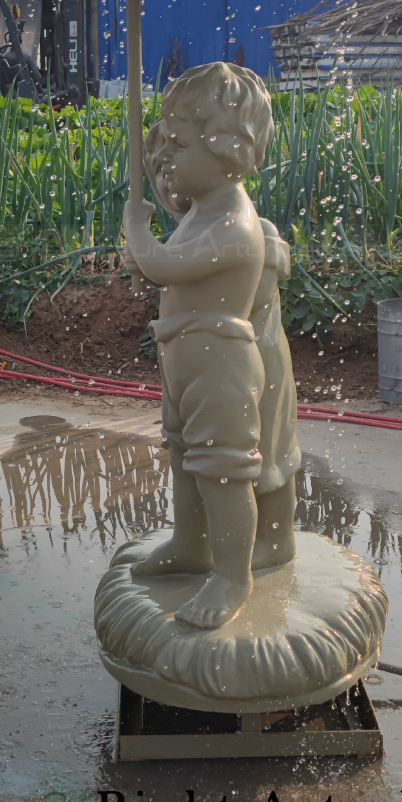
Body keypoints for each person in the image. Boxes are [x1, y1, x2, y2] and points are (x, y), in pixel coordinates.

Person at [122, 62, 278, 629]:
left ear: (227, 151)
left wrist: (137, 231)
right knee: (186, 457)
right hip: (184, 357)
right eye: (161, 143)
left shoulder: (237, 223)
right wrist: (145, 252)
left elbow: (167, 266)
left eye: (178, 144)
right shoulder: (199, 214)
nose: (163, 157)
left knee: (223, 470)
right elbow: (171, 269)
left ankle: (232, 576)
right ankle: (190, 543)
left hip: (220, 363)